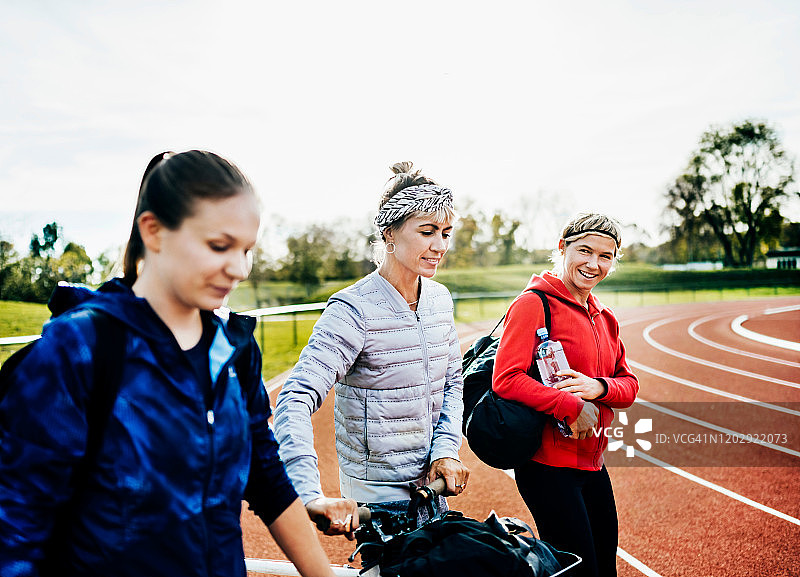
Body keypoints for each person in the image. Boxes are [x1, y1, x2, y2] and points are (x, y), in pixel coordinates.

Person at [0, 150, 336, 577]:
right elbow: (17, 529)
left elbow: (266, 476)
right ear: (154, 231)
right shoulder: (79, 349)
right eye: (219, 246)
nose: (239, 269)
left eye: (247, 249)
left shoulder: (235, 349)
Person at [273, 161, 470, 541]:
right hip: (375, 493)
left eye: (446, 233)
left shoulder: (439, 299)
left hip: (432, 484)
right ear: (389, 233)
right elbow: (295, 397)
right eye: (427, 231)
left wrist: (446, 450)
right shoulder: (352, 310)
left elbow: (452, 383)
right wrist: (307, 492)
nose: (440, 246)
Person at [492, 212, 639, 577]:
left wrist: (599, 387)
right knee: (578, 572)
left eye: (605, 256)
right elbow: (506, 379)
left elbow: (629, 385)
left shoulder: (605, 317)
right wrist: (571, 405)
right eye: (584, 251)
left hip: (592, 463)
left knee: (604, 569)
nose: (593, 264)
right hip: (547, 466)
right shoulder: (533, 304)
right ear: (562, 247)